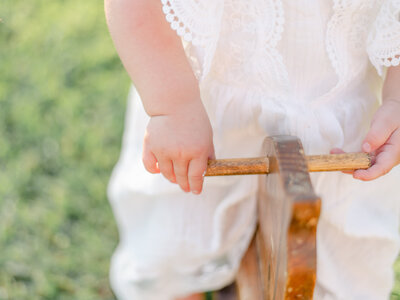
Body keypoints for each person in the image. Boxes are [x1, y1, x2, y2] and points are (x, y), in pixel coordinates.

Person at [104, 0, 400, 299]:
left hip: (342, 131)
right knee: (176, 245)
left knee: (341, 270)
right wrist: (172, 107)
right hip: (201, 116)